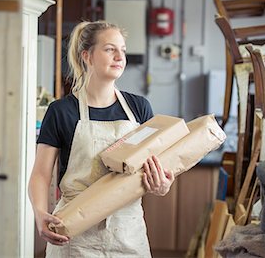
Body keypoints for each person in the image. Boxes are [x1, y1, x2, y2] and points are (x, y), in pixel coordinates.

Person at [28, 20, 175, 257]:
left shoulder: (139, 108)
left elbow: (158, 167)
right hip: (74, 233)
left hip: (127, 232)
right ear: (87, 56)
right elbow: (41, 174)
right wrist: (39, 213)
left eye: (123, 50)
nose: (119, 56)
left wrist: (163, 185)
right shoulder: (61, 111)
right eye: (110, 49)